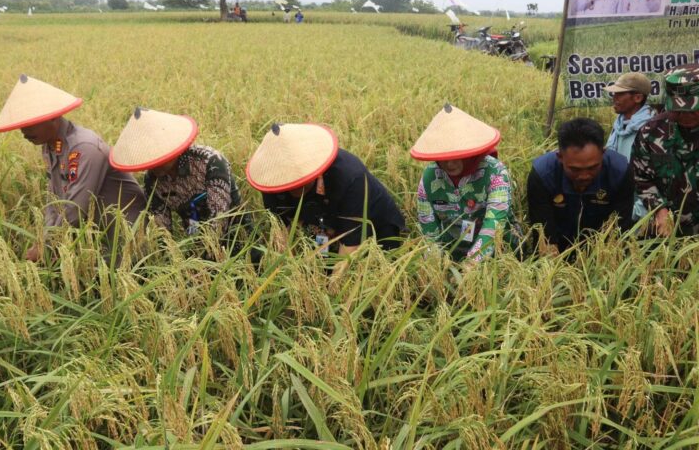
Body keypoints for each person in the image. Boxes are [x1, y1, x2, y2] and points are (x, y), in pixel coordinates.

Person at [0, 75, 146, 261]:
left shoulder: (85, 148)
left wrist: (47, 246)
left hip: (126, 238)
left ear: (53, 117)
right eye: (21, 125)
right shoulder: (50, 147)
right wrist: (46, 240)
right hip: (95, 238)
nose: (24, 132)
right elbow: (54, 200)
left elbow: (76, 207)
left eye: (29, 124)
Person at [246, 122, 406, 254]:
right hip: (322, 223)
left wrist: (331, 290)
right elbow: (283, 230)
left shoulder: (349, 177)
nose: (294, 188)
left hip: (373, 225)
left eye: (300, 180)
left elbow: (350, 246)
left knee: (376, 264)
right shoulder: (270, 182)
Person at [109, 107, 242, 238]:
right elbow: (162, 230)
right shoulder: (152, 181)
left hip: (237, 232)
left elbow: (219, 219)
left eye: (159, 156)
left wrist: (206, 252)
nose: (155, 165)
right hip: (196, 238)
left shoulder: (210, 162)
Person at [411, 104, 520, 262]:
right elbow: (429, 231)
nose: (449, 164)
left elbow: (494, 225)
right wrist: (437, 266)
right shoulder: (429, 178)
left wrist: (471, 264)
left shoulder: (496, 173)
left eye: (457, 155)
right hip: (452, 253)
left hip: (500, 254)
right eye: (443, 157)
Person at [528, 117, 634, 253]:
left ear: (603, 153)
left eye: (592, 168)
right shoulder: (543, 175)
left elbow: (619, 233)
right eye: (575, 169)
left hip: (603, 249)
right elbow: (545, 238)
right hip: (558, 246)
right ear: (560, 157)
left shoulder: (620, 172)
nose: (584, 176)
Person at [631, 63, 699, 237]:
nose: (685, 115)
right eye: (678, 110)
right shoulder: (650, 133)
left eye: (693, 110)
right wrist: (659, 209)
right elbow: (640, 178)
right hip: (669, 232)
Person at [604, 72, 656, 220]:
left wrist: (632, 214)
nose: (614, 98)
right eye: (614, 94)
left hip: (640, 216)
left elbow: (655, 179)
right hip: (620, 208)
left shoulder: (652, 130)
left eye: (620, 94)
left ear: (638, 98)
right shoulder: (620, 124)